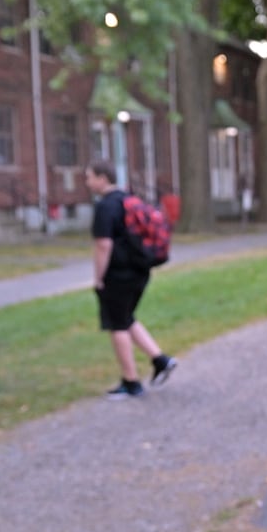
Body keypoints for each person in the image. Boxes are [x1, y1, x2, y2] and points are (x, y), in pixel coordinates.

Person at [84, 158, 177, 399]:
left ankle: (130, 381)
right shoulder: (128, 200)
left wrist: (98, 278)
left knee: (118, 325)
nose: (87, 182)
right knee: (127, 318)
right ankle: (160, 360)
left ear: (102, 178)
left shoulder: (105, 207)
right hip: (139, 270)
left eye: (89, 177)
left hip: (118, 274)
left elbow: (103, 245)